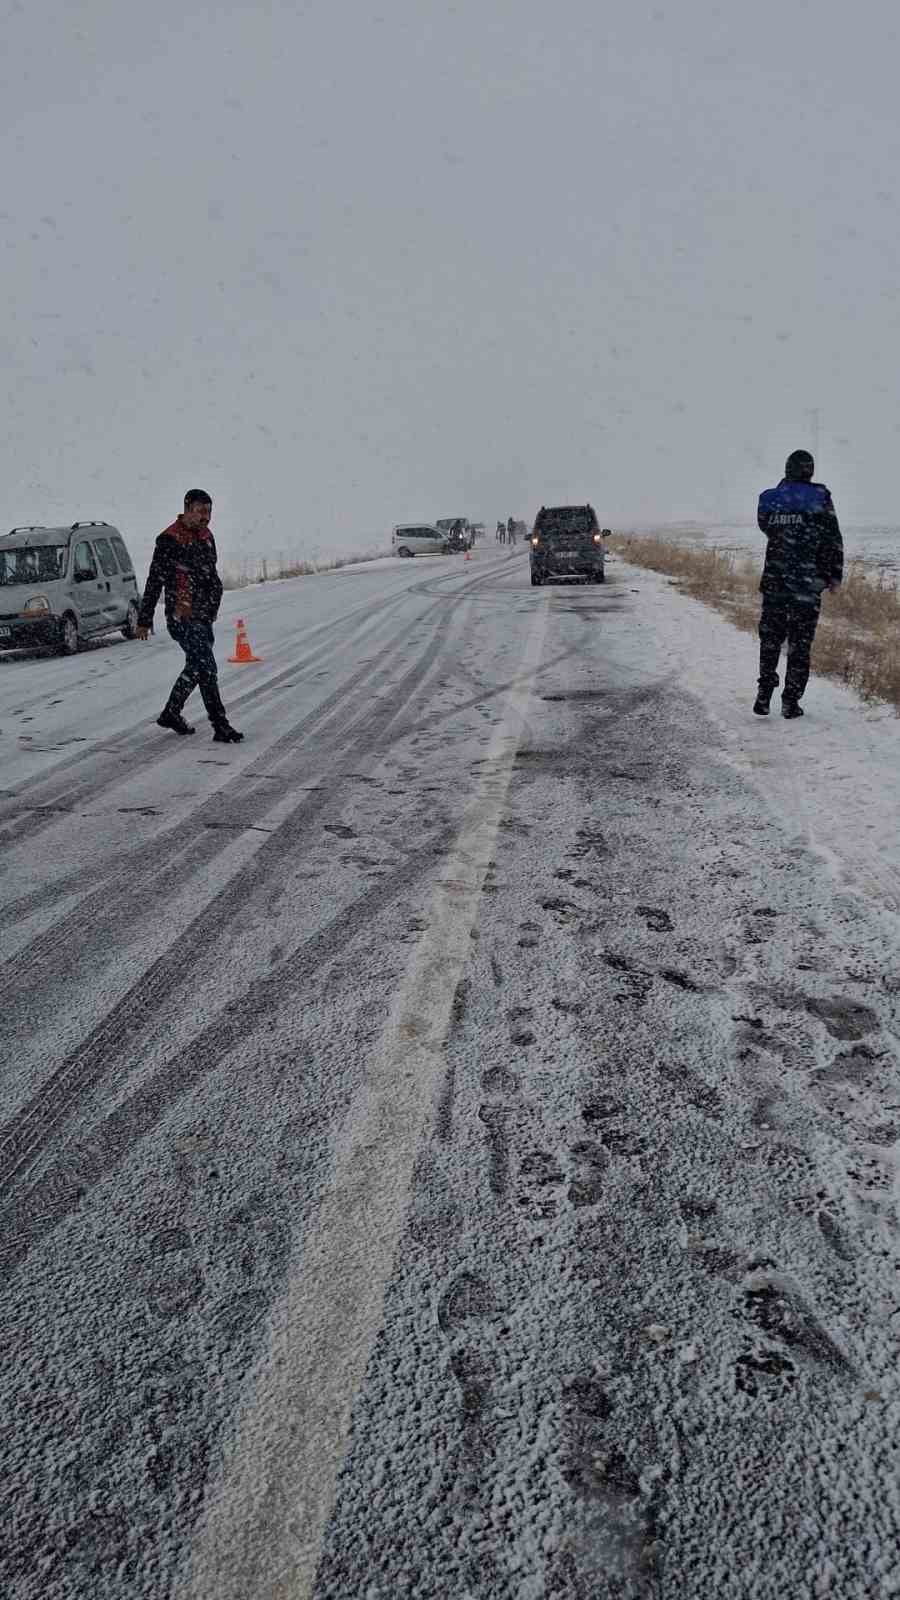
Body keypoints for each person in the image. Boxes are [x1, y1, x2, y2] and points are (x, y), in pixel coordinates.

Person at [135, 489, 243, 742]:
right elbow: (154, 581)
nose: (205, 517)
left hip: (203, 615)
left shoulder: (207, 537)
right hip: (181, 615)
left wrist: (212, 607)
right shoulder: (169, 539)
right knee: (206, 667)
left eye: (209, 511)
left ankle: (171, 713)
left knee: (197, 666)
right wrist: (144, 618)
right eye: (199, 511)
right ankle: (220, 725)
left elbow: (210, 575)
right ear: (186, 509)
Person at [754, 450, 843, 719]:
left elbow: (766, 528)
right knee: (800, 645)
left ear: (787, 469)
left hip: (775, 582)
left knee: (770, 640)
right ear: (810, 471)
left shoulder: (769, 499)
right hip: (806, 584)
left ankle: (764, 692)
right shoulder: (820, 498)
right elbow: (833, 539)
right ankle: (790, 702)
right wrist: (833, 576)